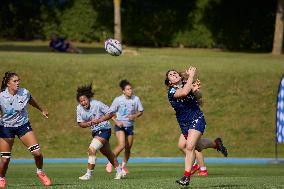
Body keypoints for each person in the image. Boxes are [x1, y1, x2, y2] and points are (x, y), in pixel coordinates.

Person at [165, 67, 228, 186]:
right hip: (184, 123)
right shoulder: (172, 92)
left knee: (189, 147)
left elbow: (199, 97)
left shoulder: (187, 84)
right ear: (170, 82)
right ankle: (216, 144)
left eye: (175, 73)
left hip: (197, 118)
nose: (174, 74)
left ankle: (186, 177)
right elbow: (183, 92)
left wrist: (195, 90)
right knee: (197, 146)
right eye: (171, 75)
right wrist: (191, 77)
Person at [0, 72, 52, 188]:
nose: (18, 83)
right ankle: (1, 178)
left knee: (37, 153)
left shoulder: (24, 93)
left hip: (23, 126)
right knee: (5, 159)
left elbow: (31, 100)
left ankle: (40, 172)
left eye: (18, 80)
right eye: (15, 81)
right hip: (6, 128)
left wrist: (42, 110)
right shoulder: (1, 97)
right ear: (8, 84)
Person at [76, 84, 126, 181]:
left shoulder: (97, 104)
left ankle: (88, 174)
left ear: (89, 98)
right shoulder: (79, 108)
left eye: (84, 100)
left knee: (91, 149)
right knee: (108, 154)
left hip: (104, 130)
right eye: (81, 101)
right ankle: (120, 171)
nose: (83, 102)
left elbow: (111, 113)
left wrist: (99, 120)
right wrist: (89, 123)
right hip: (95, 132)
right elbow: (80, 123)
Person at [105, 80, 144, 174]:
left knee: (128, 148)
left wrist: (134, 116)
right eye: (128, 89)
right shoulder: (118, 100)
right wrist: (117, 121)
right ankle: (110, 163)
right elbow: (110, 113)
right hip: (120, 127)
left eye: (131, 88)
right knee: (122, 145)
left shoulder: (136, 99)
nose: (130, 90)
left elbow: (141, 111)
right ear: (123, 91)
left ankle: (123, 166)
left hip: (130, 126)